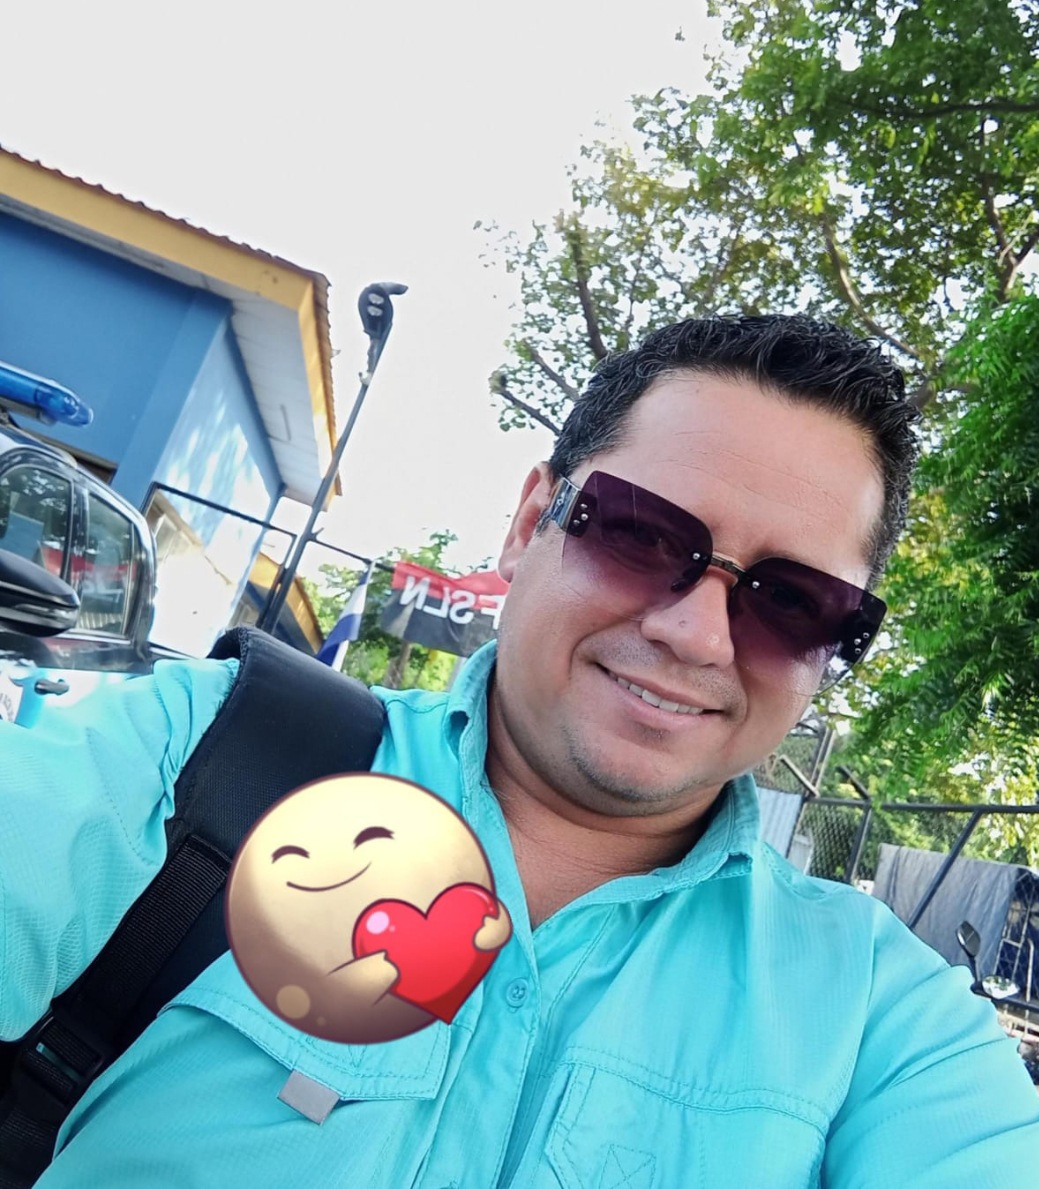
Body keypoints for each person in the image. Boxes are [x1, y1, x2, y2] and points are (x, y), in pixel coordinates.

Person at [2, 314, 1037, 1187]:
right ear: (532, 519)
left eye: (794, 601)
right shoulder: (198, 754)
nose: (695, 634)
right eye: (642, 535)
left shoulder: (879, 1021)